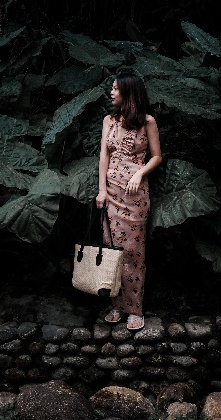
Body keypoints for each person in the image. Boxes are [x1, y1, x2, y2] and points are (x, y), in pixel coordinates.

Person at [95, 73, 162, 331]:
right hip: (110, 193)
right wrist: (101, 191)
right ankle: (116, 306)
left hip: (134, 195)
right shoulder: (109, 120)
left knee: (133, 252)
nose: (111, 93)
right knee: (111, 250)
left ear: (128, 92)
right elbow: (103, 157)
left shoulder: (147, 121)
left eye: (115, 88)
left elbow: (157, 156)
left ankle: (134, 309)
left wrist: (139, 173)